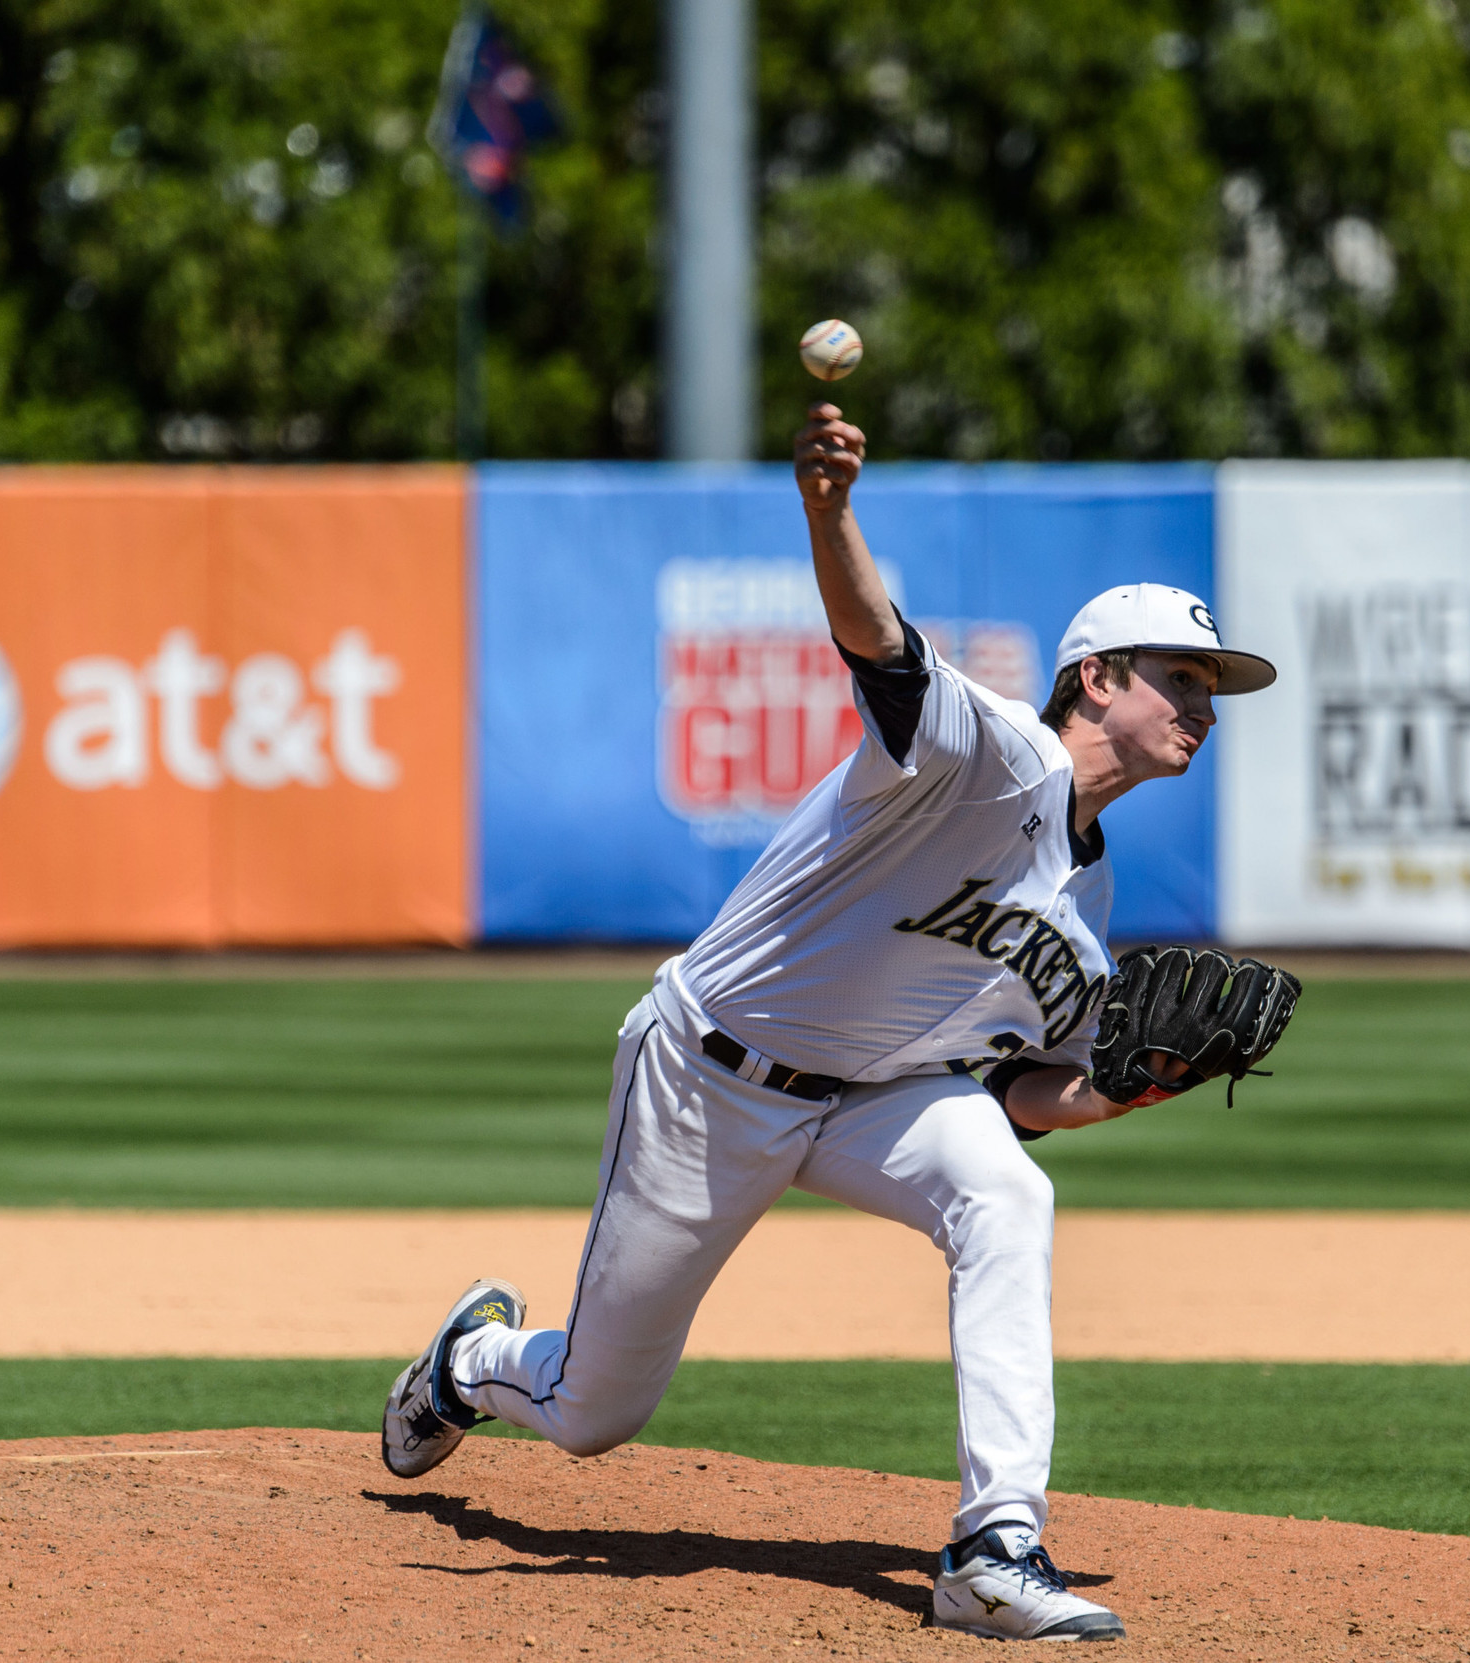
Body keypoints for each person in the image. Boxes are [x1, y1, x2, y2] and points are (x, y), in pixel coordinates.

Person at [382, 403, 1277, 1642]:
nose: (1206, 706)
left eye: (1212, 686)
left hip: (873, 1096)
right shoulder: (992, 754)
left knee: (1007, 1194)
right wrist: (828, 508)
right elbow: (882, 646)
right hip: (711, 1075)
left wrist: (1140, 1084)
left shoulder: (1092, 904)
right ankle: (470, 1362)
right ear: (1099, 679)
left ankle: (993, 1544)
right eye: (1183, 677)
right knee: (594, 1412)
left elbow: (1015, 1087)